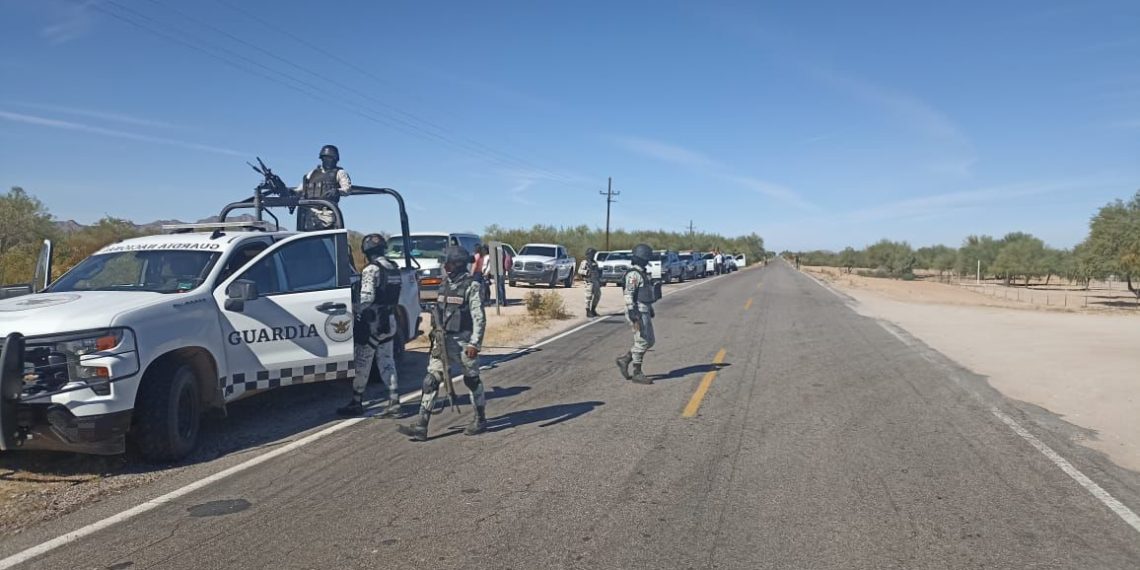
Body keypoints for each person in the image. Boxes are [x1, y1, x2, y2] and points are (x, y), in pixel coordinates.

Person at [398, 246, 487, 441]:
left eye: (449, 263)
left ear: (458, 264)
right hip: (442, 342)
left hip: (464, 342)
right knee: (430, 381)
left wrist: (475, 344)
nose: (445, 267)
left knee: (472, 381)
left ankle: (480, 419)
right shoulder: (444, 283)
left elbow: (479, 317)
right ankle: (421, 425)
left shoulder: (472, 286)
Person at [338, 234, 402, 418]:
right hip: (389, 320)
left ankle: (356, 401)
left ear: (367, 252)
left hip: (373, 322)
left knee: (362, 362)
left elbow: (367, 298)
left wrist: (352, 308)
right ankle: (394, 401)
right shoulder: (393, 267)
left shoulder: (371, 270)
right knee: (387, 361)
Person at [615, 244, 656, 385]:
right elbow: (629, 293)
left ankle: (625, 359)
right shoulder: (634, 274)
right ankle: (637, 372)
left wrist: (650, 308)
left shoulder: (641, 273)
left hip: (644, 309)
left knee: (649, 341)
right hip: (637, 311)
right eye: (646, 259)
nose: (647, 262)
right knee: (642, 341)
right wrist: (632, 310)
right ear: (641, 258)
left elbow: (645, 293)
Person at [295, 144, 351, 231]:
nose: (328, 160)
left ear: (335, 160)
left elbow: (347, 189)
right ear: (322, 158)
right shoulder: (312, 173)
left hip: (327, 213)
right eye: (326, 158)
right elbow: (301, 189)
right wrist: (291, 192)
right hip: (310, 213)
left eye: (331, 158)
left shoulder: (340, 173)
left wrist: (337, 191)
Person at [582, 247, 602, 318]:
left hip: (595, 281)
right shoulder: (585, 262)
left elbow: (597, 272)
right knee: (589, 296)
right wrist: (586, 272)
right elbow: (580, 271)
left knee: (597, 295)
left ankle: (593, 309)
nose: (593, 255)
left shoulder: (594, 262)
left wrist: (599, 280)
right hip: (589, 281)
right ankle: (588, 311)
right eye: (592, 254)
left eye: (593, 254)